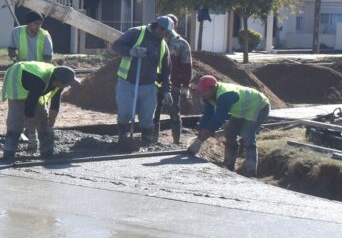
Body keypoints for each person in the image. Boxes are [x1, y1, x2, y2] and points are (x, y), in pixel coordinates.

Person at [187, 75, 271, 175]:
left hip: (259, 106)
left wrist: (203, 137)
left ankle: (250, 170)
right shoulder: (209, 94)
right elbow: (208, 112)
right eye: (202, 91)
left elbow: (219, 117)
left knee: (247, 135)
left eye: (204, 91)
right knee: (230, 133)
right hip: (243, 110)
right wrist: (202, 128)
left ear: (213, 88)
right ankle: (229, 164)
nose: (202, 95)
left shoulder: (225, 96)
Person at [0, 62, 80, 162]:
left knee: (43, 119)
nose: (68, 86)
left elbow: (55, 101)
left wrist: (51, 122)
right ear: (59, 82)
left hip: (34, 84)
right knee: (16, 119)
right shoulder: (39, 82)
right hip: (17, 77)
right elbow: (30, 103)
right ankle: (9, 153)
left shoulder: (58, 82)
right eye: (68, 84)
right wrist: (29, 123)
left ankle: (47, 152)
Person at [111, 16, 172, 147]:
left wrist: (166, 90)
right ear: (159, 28)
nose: (166, 36)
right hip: (127, 82)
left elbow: (166, 70)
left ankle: (146, 143)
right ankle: (123, 138)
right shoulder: (136, 33)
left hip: (149, 86)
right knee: (125, 112)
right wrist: (131, 51)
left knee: (147, 118)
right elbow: (116, 45)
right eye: (165, 33)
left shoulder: (162, 45)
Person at [158, 14, 194, 144]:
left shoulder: (181, 44)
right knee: (154, 112)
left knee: (174, 112)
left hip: (173, 84)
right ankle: (152, 139)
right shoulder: (156, 39)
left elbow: (186, 66)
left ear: (175, 25)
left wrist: (185, 86)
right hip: (155, 82)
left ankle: (176, 140)